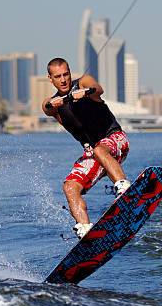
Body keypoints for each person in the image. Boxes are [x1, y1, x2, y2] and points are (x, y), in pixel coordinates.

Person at [42, 57, 131, 239]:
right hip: (93, 153)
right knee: (69, 186)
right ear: (50, 79)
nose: (63, 79)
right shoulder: (54, 105)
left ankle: (123, 188)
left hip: (115, 139)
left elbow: (98, 89)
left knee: (100, 149)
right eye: (58, 76)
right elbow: (46, 106)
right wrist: (56, 102)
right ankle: (85, 230)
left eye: (66, 74)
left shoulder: (83, 82)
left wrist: (86, 92)